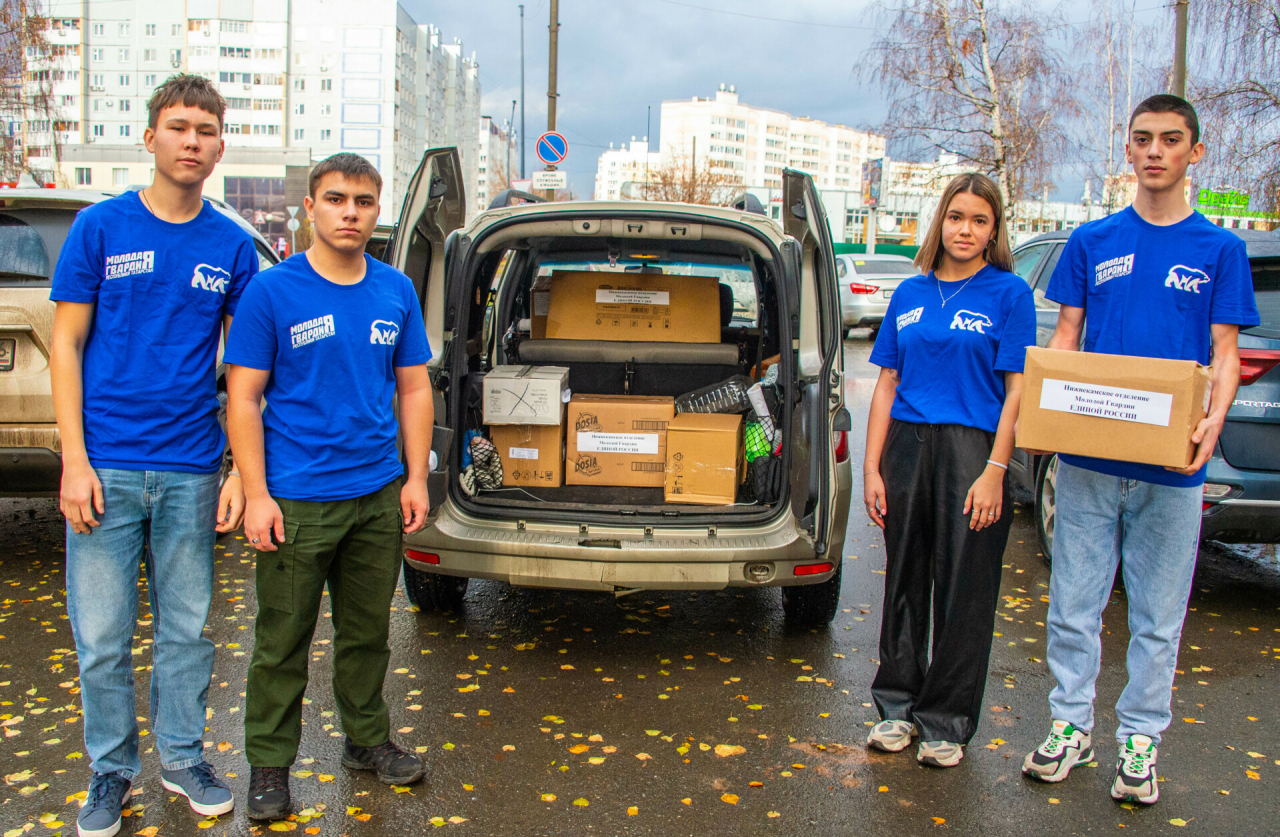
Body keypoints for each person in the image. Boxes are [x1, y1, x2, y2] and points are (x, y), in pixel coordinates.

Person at [1022, 95, 1258, 804]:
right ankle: (1070, 726)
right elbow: (1066, 337)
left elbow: (1224, 353)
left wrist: (1212, 423)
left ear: (1195, 152)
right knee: (1073, 604)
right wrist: (1047, 414)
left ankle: (1139, 743)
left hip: (1173, 473)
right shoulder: (1092, 240)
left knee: (1157, 616)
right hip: (1090, 465)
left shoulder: (1221, 249)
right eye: (1143, 139)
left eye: (1171, 140)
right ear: (1127, 150)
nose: (1155, 151)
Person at [49, 75, 258, 837]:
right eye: (178, 126)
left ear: (220, 145)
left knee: (187, 629)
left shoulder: (233, 246)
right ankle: (110, 772)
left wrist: (240, 470)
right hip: (103, 463)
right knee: (101, 636)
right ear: (150, 138)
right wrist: (73, 459)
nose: (192, 140)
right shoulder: (99, 227)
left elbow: (245, 374)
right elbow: (65, 345)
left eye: (205, 128)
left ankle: (182, 755)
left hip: (192, 468)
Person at [224, 153, 435, 821]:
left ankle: (367, 741)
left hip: (376, 494)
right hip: (295, 499)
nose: (350, 211)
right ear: (309, 207)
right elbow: (243, 395)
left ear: (378, 212)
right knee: (283, 638)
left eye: (364, 201)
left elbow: (414, 386)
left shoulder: (395, 290)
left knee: (368, 633)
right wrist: (256, 492)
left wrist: (417, 474)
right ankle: (269, 764)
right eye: (337, 198)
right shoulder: (272, 291)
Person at [863, 172, 1035, 768]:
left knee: (964, 590)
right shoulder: (910, 293)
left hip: (974, 452)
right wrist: (872, 469)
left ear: (993, 231)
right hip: (907, 447)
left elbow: (1017, 393)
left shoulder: (1010, 294)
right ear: (942, 222)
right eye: (957, 217)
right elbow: (886, 383)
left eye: (980, 220)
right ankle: (896, 708)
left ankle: (945, 722)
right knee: (904, 580)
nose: (966, 229)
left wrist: (995, 470)